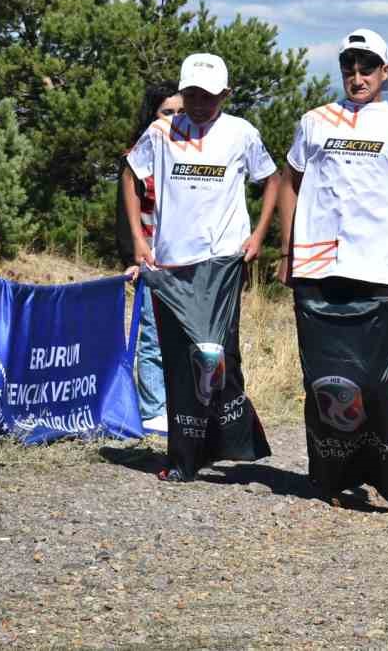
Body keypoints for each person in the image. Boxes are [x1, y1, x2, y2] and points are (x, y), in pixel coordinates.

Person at [277, 29, 388, 505]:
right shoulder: (314, 122)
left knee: (373, 384)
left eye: (367, 67)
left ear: (385, 72)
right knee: (324, 383)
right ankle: (331, 479)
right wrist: (287, 249)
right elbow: (290, 183)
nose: (358, 77)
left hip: (381, 272)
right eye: (349, 68)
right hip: (317, 269)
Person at [122, 53, 278, 482]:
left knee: (215, 355)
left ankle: (230, 437)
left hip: (223, 260)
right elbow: (131, 175)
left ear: (225, 95)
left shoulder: (240, 133)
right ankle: (183, 457)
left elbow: (271, 180)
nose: (198, 103)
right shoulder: (161, 131)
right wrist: (139, 239)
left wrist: (258, 237)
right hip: (171, 262)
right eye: (191, 93)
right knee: (179, 359)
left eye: (208, 96)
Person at [115, 83, 182, 435]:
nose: (174, 120)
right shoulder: (138, 156)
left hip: (188, 260)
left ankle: (181, 405)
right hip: (151, 257)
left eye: (180, 113)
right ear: (152, 116)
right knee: (153, 334)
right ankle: (153, 407)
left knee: (185, 336)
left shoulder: (196, 152)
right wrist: (132, 256)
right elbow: (125, 215)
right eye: (166, 113)